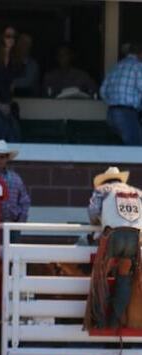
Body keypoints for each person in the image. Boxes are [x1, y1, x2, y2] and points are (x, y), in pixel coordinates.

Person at [86, 167, 141, 328]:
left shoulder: (101, 190)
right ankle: (115, 319)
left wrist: (101, 221)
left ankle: (100, 321)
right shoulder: (136, 192)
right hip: (135, 236)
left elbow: (92, 213)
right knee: (125, 274)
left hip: (112, 235)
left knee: (101, 275)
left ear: (105, 180)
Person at [99, 43, 142, 146]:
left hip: (111, 114)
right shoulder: (139, 66)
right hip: (126, 113)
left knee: (122, 148)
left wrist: (114, 101)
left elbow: (102, 91)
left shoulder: (117, 66)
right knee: (135, 147)